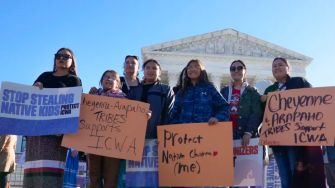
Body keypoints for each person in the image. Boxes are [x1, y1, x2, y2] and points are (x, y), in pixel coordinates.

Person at [261, 57, 325, 188]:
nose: (277, 67)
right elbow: (265, 116)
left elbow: (313, 100)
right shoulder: (269, 89)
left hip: (294, 139)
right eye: (274, 66)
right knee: (284, 176)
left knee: (296, 173)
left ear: (288, 68)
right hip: (277, 140)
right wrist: (262, 100)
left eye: (280, 65)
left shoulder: (298, 82)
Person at [23, 48, 82, 188]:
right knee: (34, 169)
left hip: (56, 135)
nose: (61, 58)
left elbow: (75, 105)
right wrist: (36, 88)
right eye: (58, 56)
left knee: (52, 171)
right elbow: (30, 99)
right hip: (37, 133)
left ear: (72, 61)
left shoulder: (74, 80)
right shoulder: (44, 76)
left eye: (66, 56)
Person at [88, 70, 126, 188]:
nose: (109, 79)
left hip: (113, 145)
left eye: (113, 78)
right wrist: (90, 97)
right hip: (93, 143)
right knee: (94, 176)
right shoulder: (93, 96)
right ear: (101, 80)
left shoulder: (125, 101)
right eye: (106, 77)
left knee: (111, 178)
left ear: (118, 83)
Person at [169, 59, 228, 125]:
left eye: (196, 66)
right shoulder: (182, 92)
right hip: (185, 132)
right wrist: (176, 126)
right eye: (190, 67)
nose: (192, 69)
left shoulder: (209, 88)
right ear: (186, 71)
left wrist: (217, 118)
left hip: (206, 131)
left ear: (201, 70)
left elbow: (225, 107)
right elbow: (174, 114)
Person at [220, 60, 262, 145]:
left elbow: (256, 113)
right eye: (233, 69)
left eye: (239, 68)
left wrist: (248, 132)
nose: (236, 70)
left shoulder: (252, 91)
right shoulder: (224, 91)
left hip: (244, 134)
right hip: (226, 133)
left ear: (245, 71)